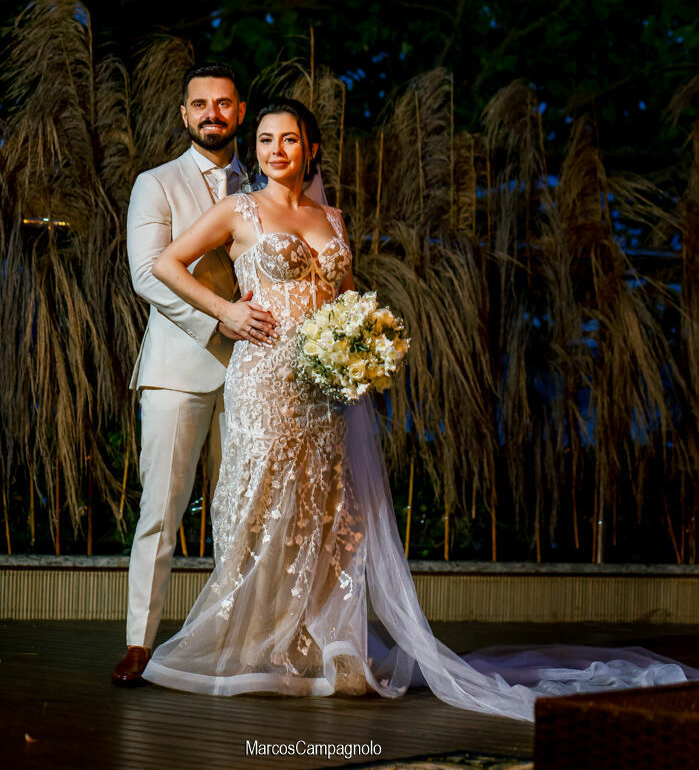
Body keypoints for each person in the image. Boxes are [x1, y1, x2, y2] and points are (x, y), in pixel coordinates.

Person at [140, 99, 699, 718]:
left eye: (290, 140)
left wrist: (361, 340)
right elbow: (165, 263)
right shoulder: (238, 210)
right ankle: (250, 643)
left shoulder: (333, 216)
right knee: (261, 500)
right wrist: (227, 312)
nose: (276, 150)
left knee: (328, 507)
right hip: (265, 377)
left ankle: (321, 644)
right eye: (267, 139)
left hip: (325, 386)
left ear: (312, 149)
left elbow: (341, 293)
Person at [111, 63, 277, 686]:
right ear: (184, 114)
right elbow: (147, 273)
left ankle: (232, 640)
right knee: (162, 509)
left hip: (257, 372)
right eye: (200, 104)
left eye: (225, 103)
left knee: (242, 514)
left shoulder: (266, 184)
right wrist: (221, 319)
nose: (213, 112)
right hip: (177, 369)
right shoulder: (155, 184)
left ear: (240, 112)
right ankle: (138, 644)